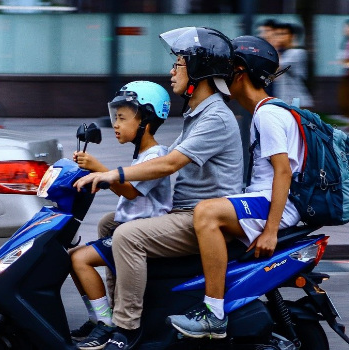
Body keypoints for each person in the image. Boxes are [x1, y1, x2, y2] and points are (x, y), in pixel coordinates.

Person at [74, 27, 243, 350]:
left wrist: (113, 174)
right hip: (187, 214)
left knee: (127, 235)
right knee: (110, 223)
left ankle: (126, 328)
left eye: (178, 64)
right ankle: (111, 312)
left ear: (198, 69)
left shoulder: (216, 118)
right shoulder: (198, 115)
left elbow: (168, 163)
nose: (171, 72)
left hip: (201, 217)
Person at [167, 35, 300, 340]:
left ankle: (214, 314)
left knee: (206, 212)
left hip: (272, 204)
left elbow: (283, 173)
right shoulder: (265, 112)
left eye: (225, 67)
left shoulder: (268, 114)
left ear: (238, 70)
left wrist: (271, 230)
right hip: (263, 200)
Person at [69, 81, 173, 349]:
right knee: (78, 252)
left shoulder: (156, 155)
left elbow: (130, 192)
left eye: (122, 118)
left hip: (142, 234)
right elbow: (128, 191)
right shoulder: (141, 156)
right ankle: (99, 317)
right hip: (129, 228)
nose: (116, 124)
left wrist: (100, 170)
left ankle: (105, 323)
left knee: (79, 259)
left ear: (146, 121)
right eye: (115, 117)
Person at [273, 23, 313, 108]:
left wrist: (274, 46)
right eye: (277, 34)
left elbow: (277, 65)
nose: (279, 37)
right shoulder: (284, 53)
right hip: (286, 102)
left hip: (298, 102)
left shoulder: (297, 52)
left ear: (292, 36)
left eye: (283, 34)